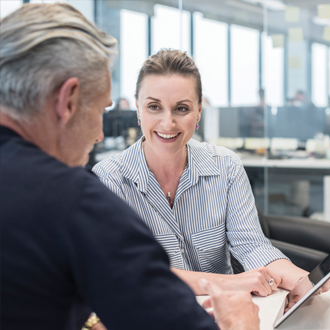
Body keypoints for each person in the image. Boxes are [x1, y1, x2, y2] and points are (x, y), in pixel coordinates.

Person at [0, 4, 260, 330]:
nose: (98, 133)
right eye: (100, 110)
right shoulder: (75, 200)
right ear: (68, 101)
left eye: (181, 108)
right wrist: (240, 324)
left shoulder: (224, 165)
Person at [93, 49, 330, 298]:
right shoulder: (110, 179)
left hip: (229, 314)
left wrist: (299, 279)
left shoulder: (225, 166)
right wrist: (229, 283)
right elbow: (129, 272)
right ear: (138, 109)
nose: (168, 123)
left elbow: (252, 245)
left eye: (181, 108)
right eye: (154, 107)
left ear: (199, 110)